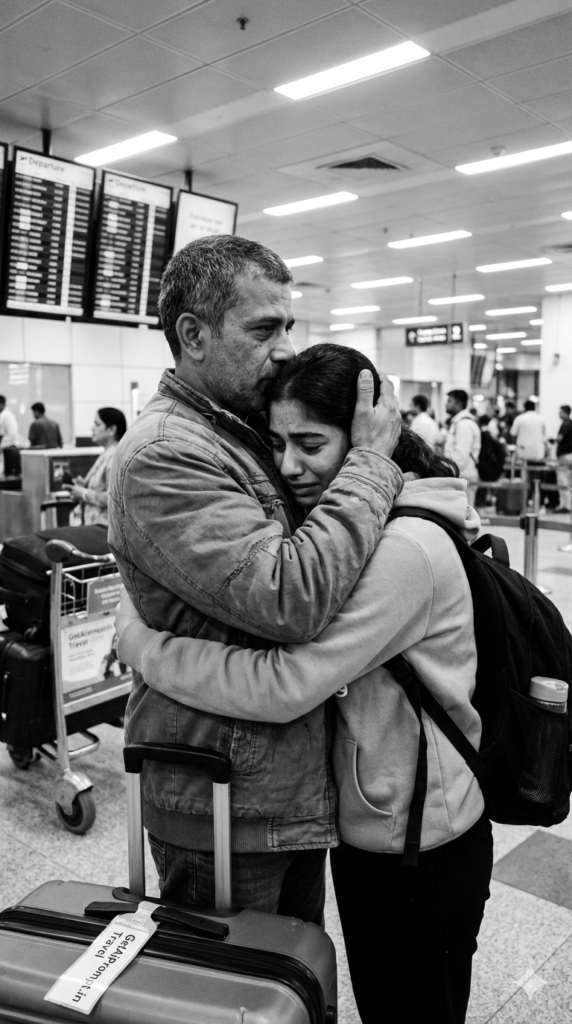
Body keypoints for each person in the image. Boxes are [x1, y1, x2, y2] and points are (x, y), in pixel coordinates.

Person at [116, 343, 492, 1024]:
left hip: (423, 846)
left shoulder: (404, 550)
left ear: (370, 437)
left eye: (312, 443)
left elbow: (288, 681)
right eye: (278, 442)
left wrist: (145, 647)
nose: (290, 466)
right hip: (377, 830)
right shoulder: (367, 527)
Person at [108, 235, 402, 924]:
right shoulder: (167, 453)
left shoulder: (237, 430)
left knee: (293, 985)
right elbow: (289, 596)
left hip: (272, 788)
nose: (284, 350)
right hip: (222, 802)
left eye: (288, 327)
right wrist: (369, 466)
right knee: (238, 997)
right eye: (263, 329)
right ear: (194, 335)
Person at [66, 407, 126, 526]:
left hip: (105, 527)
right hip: (93, 524)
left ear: (111, 429)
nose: (92, 428)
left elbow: (113, 498)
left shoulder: (115, 456)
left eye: (97, 424)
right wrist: (85, 485)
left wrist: (83, 493)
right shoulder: (106, 453)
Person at [444, 389, 481, 508]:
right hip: (461, 475)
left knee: (465, 515)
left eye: (450, 401)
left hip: (464, 476)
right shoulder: (459, 422)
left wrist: (448, 471)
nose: (446, 404)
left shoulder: (464, 425)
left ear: (459, 404)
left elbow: (461, 455)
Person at [553, 404, 572, 513]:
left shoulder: (565, 425)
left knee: (563, 480)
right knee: (569, 480)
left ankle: (565, 505)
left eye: (560, 412)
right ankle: (568, 504)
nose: (559, 414)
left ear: (565, 412)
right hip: (570, 455)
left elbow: (559, 439)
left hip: (565, 455)